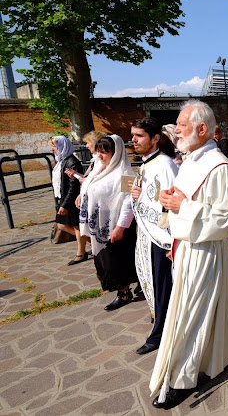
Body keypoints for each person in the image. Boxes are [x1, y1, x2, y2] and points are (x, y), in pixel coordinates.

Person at [151, 100, 228, 409]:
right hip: (188, 246)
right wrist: (170, 200)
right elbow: (186, 199)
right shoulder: (190, 160)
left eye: (182, 125)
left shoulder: (219, 166)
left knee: (193, 315)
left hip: (206, 250)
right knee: (216, 308)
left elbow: (227, 218)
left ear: (202, 128)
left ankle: (180, 379)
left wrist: (181, 207)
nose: (177, 130)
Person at [128, 117, 179, 355]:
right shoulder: (146, 163)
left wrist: (171, 240)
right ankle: (158, 323)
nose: (134, 140)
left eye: (139, 136)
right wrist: (135, 194)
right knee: (151, 281)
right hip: (147, 233)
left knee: (162, 287)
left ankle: (160, 334)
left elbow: (171, 206)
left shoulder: (166, 164)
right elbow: (148, 198)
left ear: (155, 138)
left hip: (161, 237)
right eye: (133, 135)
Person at [78, 135, 138, 310]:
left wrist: (119, 227)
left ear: (116, 152)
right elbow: (88, 186)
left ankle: (124, 293)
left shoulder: (125, 173)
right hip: (100, 223)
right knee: (106, 261)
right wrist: (82, 195)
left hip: (116, 225)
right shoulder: (99, 170)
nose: (100, 156)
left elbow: (129, 202)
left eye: (105, 152)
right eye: (98, 151)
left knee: (116, 261)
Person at [51, 135, 87, 265]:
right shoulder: (61, 160)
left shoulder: (72, 161)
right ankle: (92, 244)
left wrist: (65, 204)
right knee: (61, 225)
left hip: (70, 200)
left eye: (55, 146)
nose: (52, 148)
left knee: (77, 227)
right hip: (62, 198)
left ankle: (81, 253)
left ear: (62, 146)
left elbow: (74, 186)